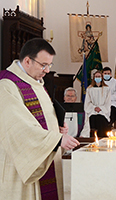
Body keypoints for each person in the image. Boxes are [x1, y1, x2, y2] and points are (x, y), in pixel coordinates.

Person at [0, 38, 80, 200]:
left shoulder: (36, 83)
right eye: (43, 65)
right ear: (28, 61)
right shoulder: (7, 85)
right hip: (22, 163)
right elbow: (18, 127)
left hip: (44, 155)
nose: (47, 70)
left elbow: (41, 119)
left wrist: (56, 128)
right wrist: (56, 140)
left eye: (50, 65)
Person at [84, 70, 111, 137]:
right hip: (92, 111)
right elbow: (87, 102)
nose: (97, 78)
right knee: (92, 119)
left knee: (101, 120)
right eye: (96, 76)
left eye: (99, 76)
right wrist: (94, 108)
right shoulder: (89, 89)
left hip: (103, 112)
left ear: (102, 77)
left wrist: (101, 108)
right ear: (93, 78)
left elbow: (108, 102)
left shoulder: (107, 89)